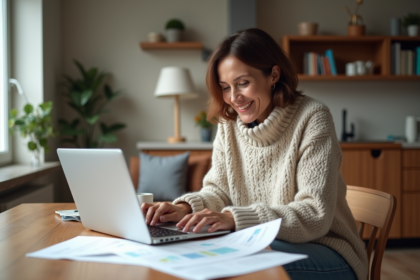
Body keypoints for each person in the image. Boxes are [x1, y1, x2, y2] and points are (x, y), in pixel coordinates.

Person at [141, 28, 368, 280]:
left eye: (243, 83)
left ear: (273, 75)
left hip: (329, 249)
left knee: (236, 265)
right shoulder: (229, 125)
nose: (234, 98)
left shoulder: (313, 117)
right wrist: (184, 207)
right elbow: (218, 190)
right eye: (225, 87)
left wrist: (233, 217)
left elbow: (314, 214)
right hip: (257, 243)